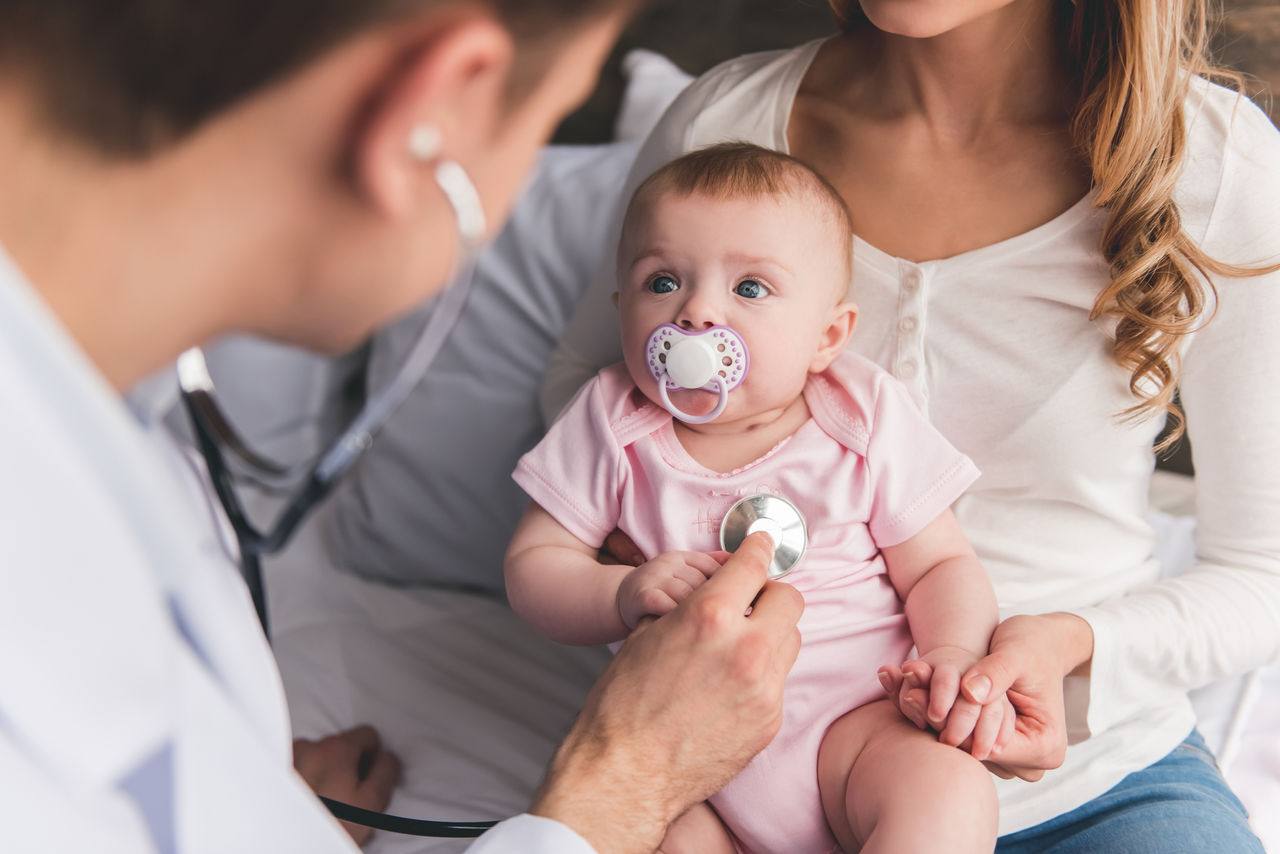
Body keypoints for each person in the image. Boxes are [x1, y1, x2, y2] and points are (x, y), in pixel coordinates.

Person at [0, 2, 806, 853]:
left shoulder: (117, 433)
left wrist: (255, 821)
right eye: (544, 120)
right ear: (430, 115)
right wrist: (622, 783)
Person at [541, 1, 1280, 851]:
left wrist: (1069, 650)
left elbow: (1264, 573)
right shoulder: (727, 126)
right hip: (724, 775)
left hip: (1094, 778)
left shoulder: (1213, 164)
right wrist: (638, 568)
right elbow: (585, 390)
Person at [506, 142, 1006, 854]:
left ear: (826, 337)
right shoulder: (613, 422)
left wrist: (952, 651)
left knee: (947, 791)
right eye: (662, 282)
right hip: (683, 758)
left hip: (858, 727)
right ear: (622, 311)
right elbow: (536, 564)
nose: (697, 313)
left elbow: (937, 567)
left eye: (749, 289)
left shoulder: (860, 415)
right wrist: (618, 593)